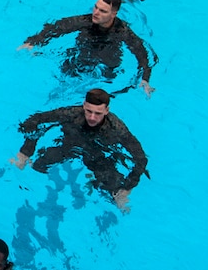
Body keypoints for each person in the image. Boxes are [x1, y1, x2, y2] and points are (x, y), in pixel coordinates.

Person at [11, 88, 148, 212]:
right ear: (84, 105)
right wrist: (25, 152)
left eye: (98, 113)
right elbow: (34, 121)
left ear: (107, 110)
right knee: (38, 165)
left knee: (113, 190)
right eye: (89, 111)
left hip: (98, 156)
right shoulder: (72, 114)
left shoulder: (117, 129)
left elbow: (141, 159)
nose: (92, 117)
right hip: (69, 147)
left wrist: (127, 188)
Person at [19, 0, 156, 96]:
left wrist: (144, 79)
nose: (95, 13)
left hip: (106, 65)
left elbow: (142, 55)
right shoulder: (86, 21)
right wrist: (34, 42)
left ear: (113, 14)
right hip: (82, 56)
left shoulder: (123, 31)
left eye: (102, 11)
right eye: (95, 7)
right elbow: (58, 27)